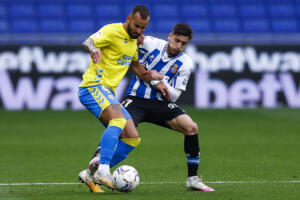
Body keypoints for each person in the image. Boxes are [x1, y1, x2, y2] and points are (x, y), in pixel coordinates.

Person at [86, 23, 215, 192]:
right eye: (176, 40)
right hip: (135, 99)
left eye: (184, 43)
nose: (178, 46)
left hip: (161, 104)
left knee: (191, 127)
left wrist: (162, 80)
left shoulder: (185, 63)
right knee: (118, 126)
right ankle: (94, 169)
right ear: (169, 36)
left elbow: (174, 96)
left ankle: (192, 179)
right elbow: (130, 45)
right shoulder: (150, 43)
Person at [77, 5, 152, 193]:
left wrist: (153, 78)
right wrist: (94, 49)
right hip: (93, 86)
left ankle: (89, 173)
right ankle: (103, 170)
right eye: (136, 26)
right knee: (117, 119)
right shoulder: (112, 30)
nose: (139, 31)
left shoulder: (133, 41)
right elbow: (88, 41)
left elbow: (134, 65)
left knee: (132, 137)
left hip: (107, 91)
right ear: (128, 19)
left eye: (143, 28)